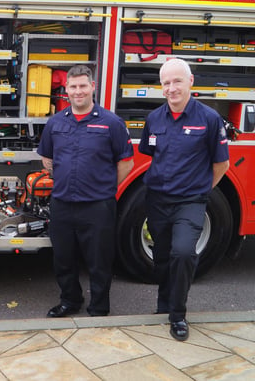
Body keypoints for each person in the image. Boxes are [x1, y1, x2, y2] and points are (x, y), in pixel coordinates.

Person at [138, 58, 229, 341]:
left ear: (190, 81)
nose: (171, 88)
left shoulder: (209, 119)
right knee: (163, 257)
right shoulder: (154, 119)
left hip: (190, 201)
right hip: (158, 200)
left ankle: (178, 315)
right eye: (166, 83)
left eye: (177, 81)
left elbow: (221, 165)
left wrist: (200, 189)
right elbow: (150, 154)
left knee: (183, 253)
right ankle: (163, 305)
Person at [37, 65, 134, 318]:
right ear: (66, 90)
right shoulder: (56, 122)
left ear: (92, 87)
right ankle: (70, 301)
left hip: (98, 205)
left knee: (99, 261)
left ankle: (99, 307)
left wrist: (106, 189)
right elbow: (47, 158)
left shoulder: (111, 123)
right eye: (73, 87)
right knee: (63, 259)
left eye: (82, 86)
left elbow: (126, 162)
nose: (77, 91)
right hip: (62, 203)